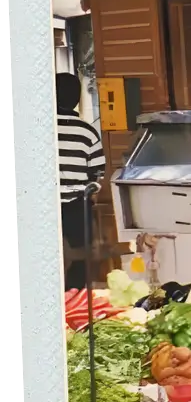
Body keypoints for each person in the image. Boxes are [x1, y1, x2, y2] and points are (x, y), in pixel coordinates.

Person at [56, 72, 105, 290]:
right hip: (77, 205)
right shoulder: (87, 131)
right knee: (79, 259)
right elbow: (97, 173)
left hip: (41, 205)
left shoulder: (37, 128)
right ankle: (74, 298)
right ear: (76, 99)